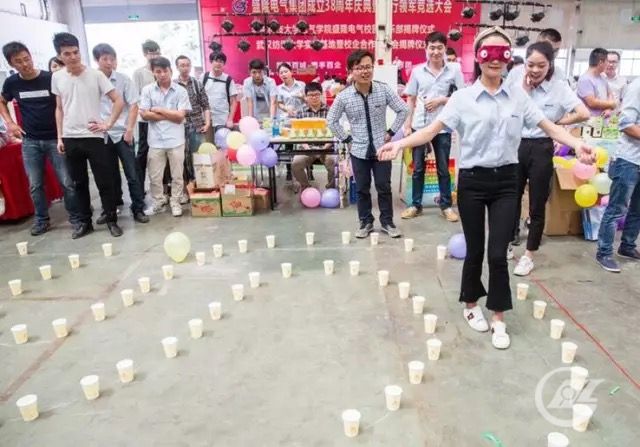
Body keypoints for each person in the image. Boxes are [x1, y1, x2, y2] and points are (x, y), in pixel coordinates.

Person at [378, 27, 594, 349]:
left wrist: (576, 144)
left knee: (498, 253)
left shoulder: (518, 97)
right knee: (476, 249)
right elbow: (431, 130)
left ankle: (498, 315)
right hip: (473, 183)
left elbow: (548, 127)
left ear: (509, 58)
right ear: (478, 57)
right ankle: (470, 303)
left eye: (502, 52)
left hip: (506, 181)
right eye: (488, 52)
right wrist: (400, 144)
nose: (495, 59)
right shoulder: (462, 99)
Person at [507, 41, 590, 276]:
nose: (535, 70)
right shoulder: (514, 78)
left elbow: (583, 113)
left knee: (537, 203)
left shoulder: (559, 88)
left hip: (542, 147)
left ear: (550, 64)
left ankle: (529, 255)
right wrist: (524, 91)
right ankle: (507, 243)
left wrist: (559, 122)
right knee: (509, 198)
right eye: (530, 64)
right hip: (514, 145)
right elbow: (506, 110)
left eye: (541, 65)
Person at [0, 41, 80, 236]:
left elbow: (63, 104)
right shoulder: (12, 83)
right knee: (35, 184)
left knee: (66, 181)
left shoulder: (49, 78)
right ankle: (42, 220)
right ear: (11, 64)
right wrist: (10, 123)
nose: (25, 64)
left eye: (27, 59)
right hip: (30, 141)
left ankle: (77, 217)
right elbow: (2, 101)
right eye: (19, 62)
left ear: (31, 56)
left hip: (55, 138)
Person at [327, 49, 409, 239]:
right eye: (359, 68)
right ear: (350, 71)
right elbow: (331, 120)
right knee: (362, 188)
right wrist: (347, 139)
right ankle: (365, 222)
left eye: (368, 67)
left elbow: (403, 110)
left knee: (384, 187)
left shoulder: (383, 89)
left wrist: (391, 132)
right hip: (358, 150)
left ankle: (387, 222)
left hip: (382, 149)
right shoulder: (344, 96)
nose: (365, 71)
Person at [51, 32, 125, 238]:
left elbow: (118, 100)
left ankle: (111, 220)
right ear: (60, 56)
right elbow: (59, 108)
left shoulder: (96, 75)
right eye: (67, 54)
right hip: (70, 137)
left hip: (94, 137)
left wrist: (107, 124)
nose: (73, 57)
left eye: (76, 52)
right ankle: (85, 223)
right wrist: (59, 137)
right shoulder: (57, 77)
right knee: (78, 183)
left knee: (104, 181)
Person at [402, 31, 464, 222]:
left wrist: (441, 100)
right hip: (420, 126)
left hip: (443, 126)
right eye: (432, 48)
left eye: (439, 48)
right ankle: (415, 205)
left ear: (445, 49)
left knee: (443, 168)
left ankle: (446, 206)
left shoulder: (454, 70)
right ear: (426, 48)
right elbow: (411, 99)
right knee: (418, 168)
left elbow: (462, 97)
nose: (435, 52)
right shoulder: (417, 71)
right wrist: (407, 125)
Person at [93, 43, 149, 225]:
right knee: (107, 175)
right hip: (101, 136)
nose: (109, 62)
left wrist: (130, 129)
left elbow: (133, 105)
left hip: (123, 133)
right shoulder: (91, 80)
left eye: (112, 59)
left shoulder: (124, 80)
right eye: (105, 59)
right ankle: (110, 209)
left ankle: (138, 208)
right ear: (97, 60)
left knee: (132, 173)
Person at [595, 77, 640, 272]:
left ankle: (627, 245)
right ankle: (604, 252)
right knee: (616, 209)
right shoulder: (637, 87)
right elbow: (626, 123)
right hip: (629, 160)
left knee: (637, 209)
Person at [139, 56, 191, 217]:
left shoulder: (181, 91)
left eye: (165, 71)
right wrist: (171, 114)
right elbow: (145, 115)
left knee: (177, 175)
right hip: (155, 141)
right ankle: (159, 202)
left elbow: (180, 117)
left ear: (171, 71)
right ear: (153, 73)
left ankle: (175, 201)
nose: (162, 74)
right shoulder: (147, 90)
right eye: (158, 71)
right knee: (155, 176)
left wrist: (159, 110)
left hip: (176, 140)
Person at [175, 54, 210, 191]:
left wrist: (207, 123)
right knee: (181, 158)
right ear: (177, 67)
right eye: (182, 65)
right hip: (179, 126)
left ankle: (201, 186)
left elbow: (205, 105)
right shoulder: (173, 85)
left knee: (199, 157)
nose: (185, 68)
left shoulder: (197, 83)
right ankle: (185, 188)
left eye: (187, 65)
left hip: (197, 125)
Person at [291, 82, 336, 190]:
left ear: (321, 94)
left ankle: (330, 188)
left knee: (334, 163)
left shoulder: (330, 111)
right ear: (306, 97)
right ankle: (306, 187)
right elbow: (296, 132)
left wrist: (326, 146)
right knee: (296, 163)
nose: (314, 97)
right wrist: (306, 146)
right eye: (311, 95)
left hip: (327, 148)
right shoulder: (301, 113)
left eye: (316, 94)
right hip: (307, 148)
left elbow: (335, 131)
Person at [132, 39, 161, 189]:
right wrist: (146, 111)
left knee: (161, 152)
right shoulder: (139, 73)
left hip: (161, 119)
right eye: (151, 53)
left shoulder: (162, 71)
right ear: (145, 54)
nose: (155, 56)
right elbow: (135, 96)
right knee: (143, 152)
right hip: (145, 119)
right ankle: (139, 187)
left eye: (157, 53)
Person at [202, 52, 238, 133]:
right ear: (211, 61)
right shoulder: (204, 77)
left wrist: (230, 119)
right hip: (205, 119)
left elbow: (234, 102)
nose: (218, 64)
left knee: (222, 140)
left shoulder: (228, 79)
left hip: (222, 119)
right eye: (216, 61)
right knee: (208, 141)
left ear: (224, 64)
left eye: (221, 61)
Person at [577, 48, 616, 117]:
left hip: (602, 120)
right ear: (600, 62)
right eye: (607, 61)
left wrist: (608, 109)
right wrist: (611, 104)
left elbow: (609, 94)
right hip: (590, 121)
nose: (608, 64)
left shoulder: (602, 77)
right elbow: (592, 102)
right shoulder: (585, 79)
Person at [242, 59, 276, 124]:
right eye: (254, 72)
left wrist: (272, 119)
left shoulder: (271, 82)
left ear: (264, 72)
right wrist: (251, 120)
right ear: (249, 72)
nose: (257, 75)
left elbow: (273, 102)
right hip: (255, 115)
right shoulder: (247, 82)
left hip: (269, 114)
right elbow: (250, 103)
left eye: (260, 72)